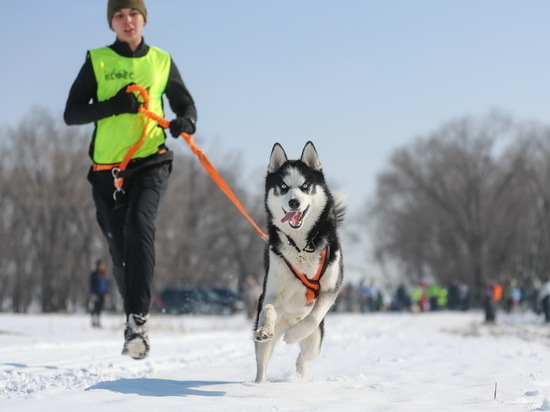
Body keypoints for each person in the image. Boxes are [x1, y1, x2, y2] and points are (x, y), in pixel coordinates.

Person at [64, 0, 197, 359]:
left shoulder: (161, 61)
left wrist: (186, 122)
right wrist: (113, 106)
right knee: (120, 253)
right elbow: (71, 113)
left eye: (133, 14)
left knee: (140, 225)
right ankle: (131, 318)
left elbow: (185, 105)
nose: (127, 21)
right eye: (119, 15)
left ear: (144, 19)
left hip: (151, 160)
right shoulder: (97, 60)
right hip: (107, 171)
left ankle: (137, 323)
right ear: (111, 23)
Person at [89, 259, 110, 328]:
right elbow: (92, 284)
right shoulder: (94, 275)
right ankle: (94, 321)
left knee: (100, 308)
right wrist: (92, 293)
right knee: (95, 308)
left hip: (102, 294)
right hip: (96, 293)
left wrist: (107, 293)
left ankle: (98, 321)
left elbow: (107, 285)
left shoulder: (105, 275)